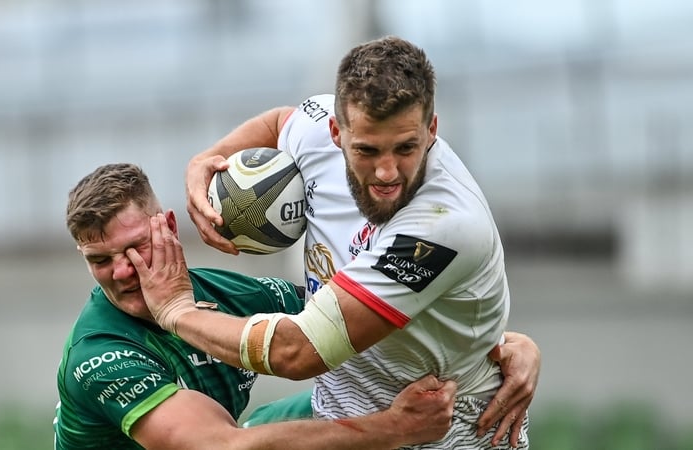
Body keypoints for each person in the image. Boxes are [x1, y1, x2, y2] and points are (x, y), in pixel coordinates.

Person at [134, 36, 538, 448]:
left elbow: (298, 351)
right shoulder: (315, 135)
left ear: (431, 130)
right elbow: (280, 123)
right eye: (367, 150)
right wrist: (207, 159)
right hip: (343, 418)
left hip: (442, 437)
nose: (386, 172)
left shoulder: (443, 225)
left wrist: (176, 309)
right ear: (334, 132)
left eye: (406, 148)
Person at [53, 162, 461, 450]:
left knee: (378, 401)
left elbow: (359, 317)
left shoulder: (230, 295)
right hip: (218, 444)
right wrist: (393, 429)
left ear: (170, 228)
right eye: (100, 260)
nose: (122, 272)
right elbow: (220, 448)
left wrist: (502, 344)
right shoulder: (98, 356)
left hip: (230, 436)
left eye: (135, 247)